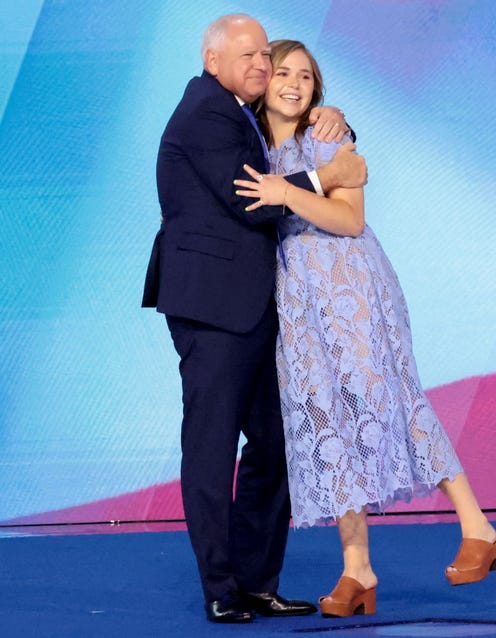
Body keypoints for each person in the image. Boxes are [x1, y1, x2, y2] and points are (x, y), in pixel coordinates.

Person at [234, 39, 496, 619]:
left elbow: (350, 217)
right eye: (282, 72)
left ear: (317, 89)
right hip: (296, 301)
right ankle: (357, 568)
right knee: (326, 419)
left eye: (306, 77)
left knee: (388, 399)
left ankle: (478, 527)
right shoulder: (250, 140)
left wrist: (288, 190)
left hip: (351, 288)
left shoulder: (328, 134)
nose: (293, 83)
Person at [141, 16, 367, 624]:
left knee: (277, 442)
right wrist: (328, 176)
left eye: (266, 55)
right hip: (212, 307)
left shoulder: (240, 111)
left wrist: (332, 115)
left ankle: (256, 582)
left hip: (255, 307)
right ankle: (221, 587)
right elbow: (251, 195)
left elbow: (291, 127)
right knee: (211, 447)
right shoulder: (207, 111)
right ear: (211, 60)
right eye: (247, 57)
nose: (262, 66)